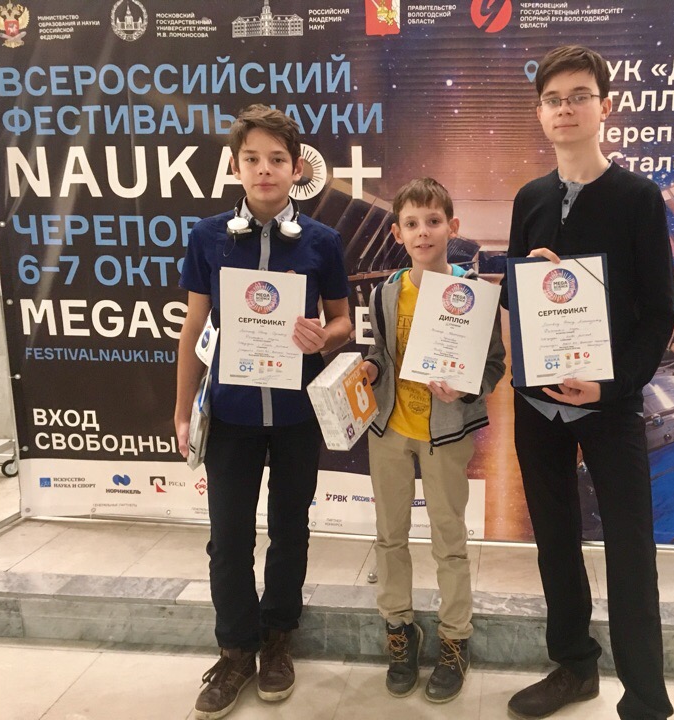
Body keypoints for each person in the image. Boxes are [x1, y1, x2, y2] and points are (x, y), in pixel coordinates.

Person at [501, 46, 674, 720]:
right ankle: (574, 666)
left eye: (579, 96)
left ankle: (646, 697)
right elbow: (516, 296)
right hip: (539, 403)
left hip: (610, 403)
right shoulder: (530, 198)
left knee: (630, 550)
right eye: (553, 99)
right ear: (540, 113)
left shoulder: (638, 198)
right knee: (553, 539)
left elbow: (658, 313)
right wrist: (533, 279)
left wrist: (611, 386)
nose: (565, 109)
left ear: (605, 107)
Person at [174, 104, 352, 720]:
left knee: (290, 531)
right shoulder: (208, 237)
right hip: (231, 415)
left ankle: (278, 640)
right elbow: (194, 325)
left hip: (297, 415)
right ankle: (234, 650)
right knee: (227, 538)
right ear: (235, 166)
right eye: (252, 158)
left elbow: (343, 320)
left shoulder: (323, 241)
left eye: (277, 159)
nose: (265, 169)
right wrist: (182, 411)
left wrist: (323, 337)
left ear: (297, 168)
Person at [360, 178, 505, 703]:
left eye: (434, 221)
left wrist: (467, 387)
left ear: (452, 227)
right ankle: (399, 628)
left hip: (445, 435)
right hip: (390, 432)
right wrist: (370, 371)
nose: (423, 232)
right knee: (389, 536)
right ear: (397, 233)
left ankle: (455, 638)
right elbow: (382, 354)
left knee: (449, 539)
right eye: (412, 224)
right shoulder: (385, 293)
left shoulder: (474, 296)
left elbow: (493, 366)